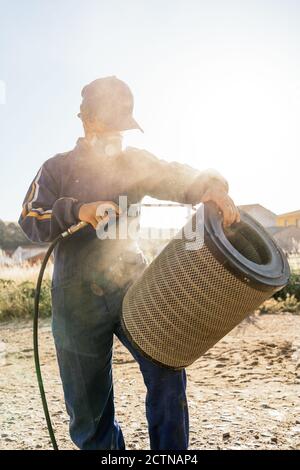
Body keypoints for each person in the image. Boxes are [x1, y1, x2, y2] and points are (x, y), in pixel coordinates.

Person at [19, 76, 240, 450]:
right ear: (87, 119)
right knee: (88, 411)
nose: (118, 137)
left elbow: (178, 176)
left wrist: (211, 185)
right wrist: (77, 210)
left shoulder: (135, 162)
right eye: (111, 127)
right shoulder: (54, 168)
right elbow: (30, 218)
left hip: (134, 285)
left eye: (124, 129)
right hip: (75, 299)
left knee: (168, 371)